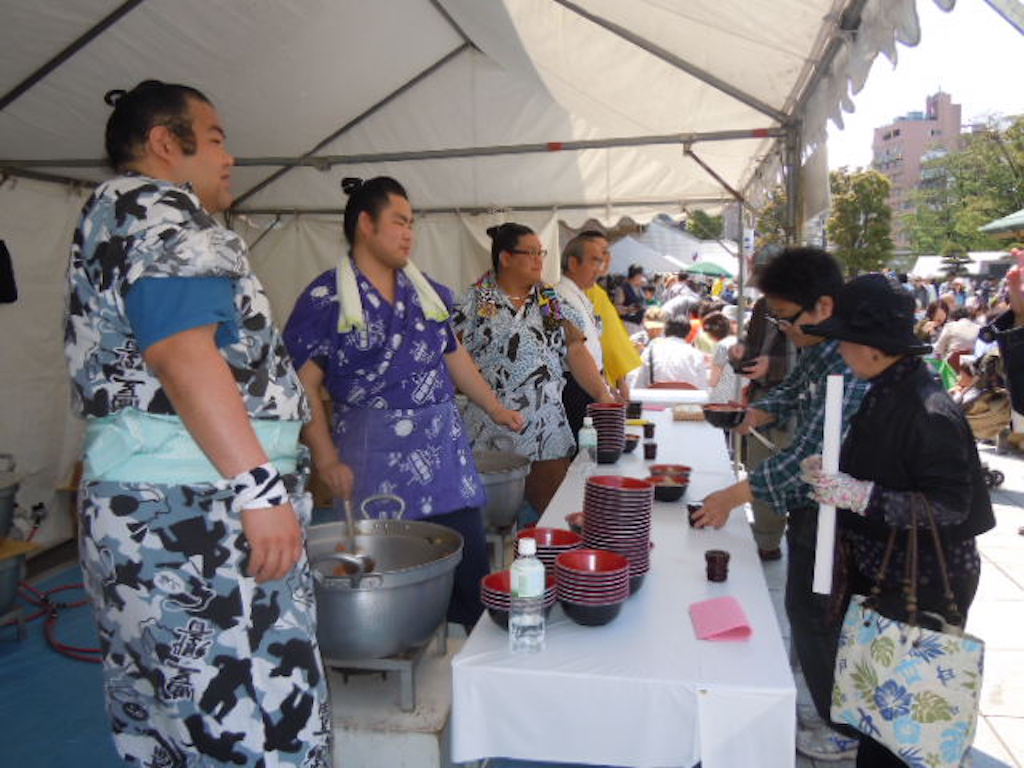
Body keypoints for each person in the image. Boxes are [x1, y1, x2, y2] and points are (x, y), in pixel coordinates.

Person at [64, 81, 331, 766]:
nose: (230, 156)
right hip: (201, 517)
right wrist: (260, 488)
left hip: (150, 515)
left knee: (168, 731)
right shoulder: (156, 208)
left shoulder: (112, 215)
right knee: (252, 729)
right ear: (164, 143)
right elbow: (182, 352)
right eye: (213, 138)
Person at [283, 177, 523, 631]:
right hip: (372, 460)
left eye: (412, 223)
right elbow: (303, 386)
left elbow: (454, 356)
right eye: (399, 222)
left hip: (444, 455)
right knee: (385, 584)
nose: (409, 233)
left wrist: (494, 408)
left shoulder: (426, 291)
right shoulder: (324, 298)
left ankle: (469, 662)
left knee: (468, 569)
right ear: (365, 225)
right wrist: (326, 458)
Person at [799, 274, 994, 767]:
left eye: (845, 338)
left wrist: (861, 495)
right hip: (886, 572)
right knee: (877, 714)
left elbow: (952, 505)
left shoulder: (929, 409)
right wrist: (838, 472)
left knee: (903, 725)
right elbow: (887, 464)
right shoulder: (887, 387)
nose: (840, 348)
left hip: (922, 582)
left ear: (871, 347)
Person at [691, 247, 871, 762]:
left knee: (821, 611)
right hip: (821, 509)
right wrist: (754, 414)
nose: (780, 329)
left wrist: (730, 496)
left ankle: (837, 728)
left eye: (785, 317)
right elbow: (791, 393)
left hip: (847, 518)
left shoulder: (850, 361)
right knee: (803, 605)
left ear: (823, 307)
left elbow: (809, 459)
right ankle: (816, 702)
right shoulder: (821, 350)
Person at [453, 223, 614, 514]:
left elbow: (576, 349)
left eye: (541, 253)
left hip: (546, 434)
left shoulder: (550, 300)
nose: (540, 260)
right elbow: (452, 352)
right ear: (506, 257)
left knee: (552, 520)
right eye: (531, 253)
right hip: (491, 435)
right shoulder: (478, 300)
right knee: (494, 529)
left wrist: (602, 394)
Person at [558, 231, 612, 440]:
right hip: (577, 384)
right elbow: (577, 351)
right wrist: (602, 393)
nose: (599, 269)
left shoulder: (579, 294)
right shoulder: (562, 296)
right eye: (594, 262)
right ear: (573, 263)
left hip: (590, 382)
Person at [587, 242, 643, 401]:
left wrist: (619, 380)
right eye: (602, 253)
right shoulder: (588, 292)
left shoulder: (597, 292)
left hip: (605, 377)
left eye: (607, 253)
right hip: (593, 379)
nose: (608, 258)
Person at [630, 318, 709, 389]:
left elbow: (638, 385)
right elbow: (702, 388)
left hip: (654, 402)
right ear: (688, 334)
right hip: (687, 403)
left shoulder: (650, 352)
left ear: (665, 331)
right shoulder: (696, 355)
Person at [614, 263, 647, 334]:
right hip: (628, 324)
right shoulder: (622, 288)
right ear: (637, 276)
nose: (642, 277)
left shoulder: (639, 288)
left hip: (639, 324)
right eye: (642, 275)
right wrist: (628, 309)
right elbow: (617, 308)